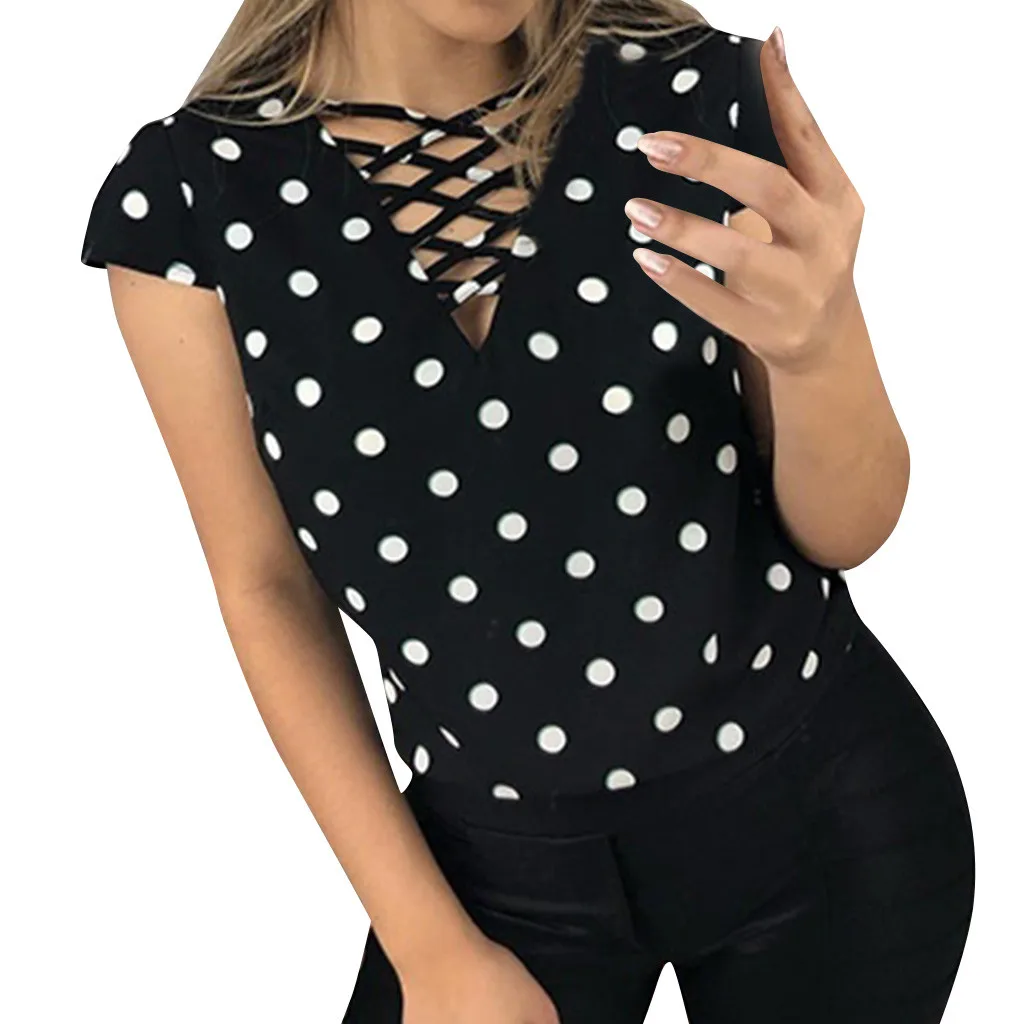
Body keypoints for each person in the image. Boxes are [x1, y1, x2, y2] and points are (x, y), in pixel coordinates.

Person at [79, 1, 975, 1021]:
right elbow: (264, 583)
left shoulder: (691, 101)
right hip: (494, 873)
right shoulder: (191, 201)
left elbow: (846, 532)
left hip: (826, 818)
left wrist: (822, 348)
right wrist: (427, 946)